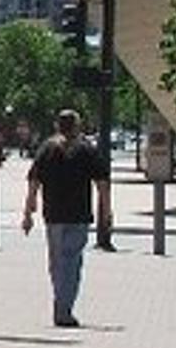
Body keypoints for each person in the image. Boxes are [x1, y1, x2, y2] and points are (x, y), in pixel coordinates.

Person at [22, 109, 112, 328]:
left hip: (53, 215)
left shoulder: (47, 148)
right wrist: (107, 211)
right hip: (78, 214)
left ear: (57, 125)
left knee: (56, 262)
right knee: (71, 262)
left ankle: (61, 304)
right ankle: (64, 307)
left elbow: (34, 180)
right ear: (77, 126)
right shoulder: (86, 150)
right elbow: (102, 184)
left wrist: (28, 210)